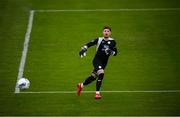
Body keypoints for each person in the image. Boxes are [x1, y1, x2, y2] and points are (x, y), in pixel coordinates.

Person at [77, 26, 118, 99]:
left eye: (108, 31)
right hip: (97, 60)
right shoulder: (99, 39)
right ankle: (97, 93)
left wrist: (111, 51)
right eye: (105, 31)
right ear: (103, 32)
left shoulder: (113, 42)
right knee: (101, 73)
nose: (106, 32)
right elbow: (89, 44)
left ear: (110, 33)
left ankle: (81, 85)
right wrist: (83, 49)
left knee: (93, 77)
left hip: (104, 63)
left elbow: (115, 53)